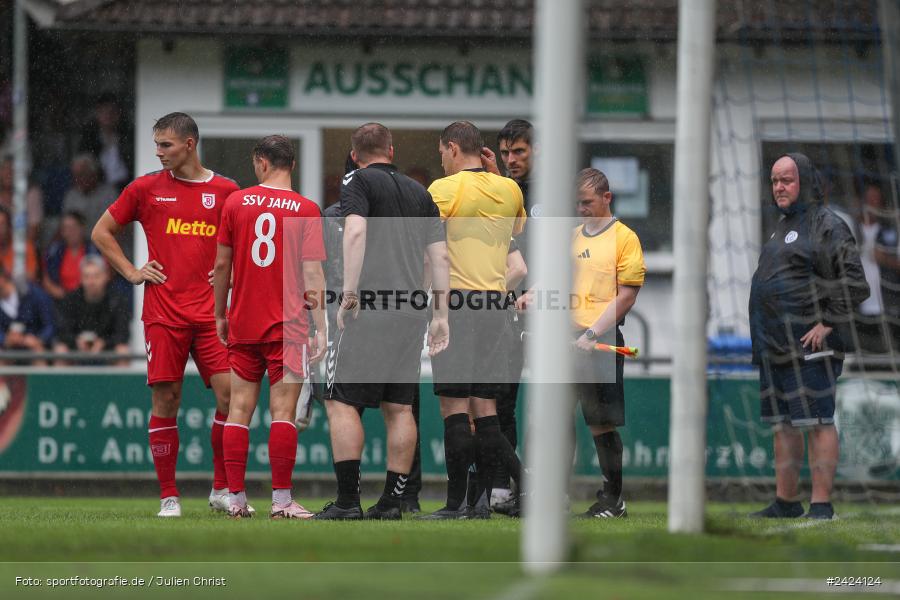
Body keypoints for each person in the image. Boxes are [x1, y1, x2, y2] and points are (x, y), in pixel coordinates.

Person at [92, 112, 240, 518]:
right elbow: (101, 232)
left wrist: (233, 271)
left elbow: (245, 245)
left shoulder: (227, 190)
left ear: (189, 144)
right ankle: (169, 497)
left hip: (213, 316)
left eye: (166, 145)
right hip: (165, 314)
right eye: (157, 145)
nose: (159, 153)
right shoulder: (145, 189)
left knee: (231, 397)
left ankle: (221, 489)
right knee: (167, 400)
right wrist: (132, 272)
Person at [315, 123, 449, 520]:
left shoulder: (357, 180)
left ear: (355, 155)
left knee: (341, 403)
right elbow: (438, 258)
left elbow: (354, 232)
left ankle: (347, 502)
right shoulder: (420, 191)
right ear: (392, 149)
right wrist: (439, 314)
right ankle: (393, 501)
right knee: (399, 408)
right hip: (411, 311)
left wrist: (350, 293)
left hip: (368, 308)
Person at [749, 153, 868, 520]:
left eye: (787, 180)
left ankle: (821, 505)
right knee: (783, 427)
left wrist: (827, 323)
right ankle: (786, 502)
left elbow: (855, 283)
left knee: (817, 422)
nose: (779, 187)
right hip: (774, 347)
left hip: (810, 346)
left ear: (806, 182)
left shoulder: (827, 224)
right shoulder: (781, 225)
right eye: (774, 181)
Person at [213, 135, 327, 519]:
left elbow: (222, 267)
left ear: (261, 162)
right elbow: (313, 273)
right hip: (288, 326)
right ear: (291, 165)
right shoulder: (306, 209)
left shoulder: (235, 203)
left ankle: (237, 500)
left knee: (238, 411)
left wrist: (219, 314)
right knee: (283, 413)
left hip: (244, 321)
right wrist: (321, 327)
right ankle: (281, 503)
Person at [420, 121, 524, 520]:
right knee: (485, 408)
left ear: (450, 148)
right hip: (496, 305)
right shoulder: (509, 188)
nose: (440, 160)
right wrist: (495, 178)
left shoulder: (443, 190)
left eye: (441, 153)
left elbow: (431, 251)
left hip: (459, 304)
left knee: (454, 407)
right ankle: (485, 501)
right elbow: (513, 232)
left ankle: (454, 504)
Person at [570, 168, 645, 518]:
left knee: (600, 422)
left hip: (599, 342)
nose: (581, 209)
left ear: (606, 198)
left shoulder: (625, 238)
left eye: (587, 202)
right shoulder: (571, 237)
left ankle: (614, 500)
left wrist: (591, 333)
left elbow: (626, 297)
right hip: (568, 342)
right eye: (577, 203)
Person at [52, 255, 130, 366]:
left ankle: (122, 384)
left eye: (96, 276)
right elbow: (62, 331)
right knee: (60, 350)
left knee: (123, 351)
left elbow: (123, 334)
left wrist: (104, 343)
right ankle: (61, 384)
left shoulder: (117, 300)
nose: (91, 281)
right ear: (81, 279)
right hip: (76, 350)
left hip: (107, 351)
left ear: (106, 276)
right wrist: (76, 341)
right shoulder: (70, 300)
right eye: (87, 277)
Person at [851, 182, 888, 353]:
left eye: (876, 200)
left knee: (885, 359)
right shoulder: (849, 229)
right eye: (869, 199)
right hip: (857, 308)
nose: (873, 204)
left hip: (887, 309)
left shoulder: (891, 231)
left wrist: (885, 259)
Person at [0, 263, 55, 365]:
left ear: (2, 278)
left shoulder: (33, 293)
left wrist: (38, 339)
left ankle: (42, 381)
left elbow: (50, 325)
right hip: (7, 350)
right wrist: (5, 339)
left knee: (39, 353)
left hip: (33, 346)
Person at [78, 93, 132, 190]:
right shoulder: (90, 138)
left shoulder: (127, 137)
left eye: (113, 112)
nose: (108, 116)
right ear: (97, 114)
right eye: (104, 112)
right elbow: (83, 164)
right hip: (97, 189)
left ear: (119, 114)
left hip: (125, 187)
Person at [42, 211, 99, 301]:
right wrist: (64, 296)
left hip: (88, 299)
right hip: (61, 300)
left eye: (73, 228)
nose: (70, 232)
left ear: (82, 228)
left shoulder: (94, 250)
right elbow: (46, 279)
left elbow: (105, 276)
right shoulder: (54, 251)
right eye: (66, 228)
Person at [0, 154, 44, 243]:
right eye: (4, 168)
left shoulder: (32, 193)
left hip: (23, 249)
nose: (8, 173)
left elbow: (33, 233)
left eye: (13, 169)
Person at [0, 207, 38, 282]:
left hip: (20, 290)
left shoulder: (25, 246)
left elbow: (31, 276)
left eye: (2, 225)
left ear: (9, 227)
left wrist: (7, 273)